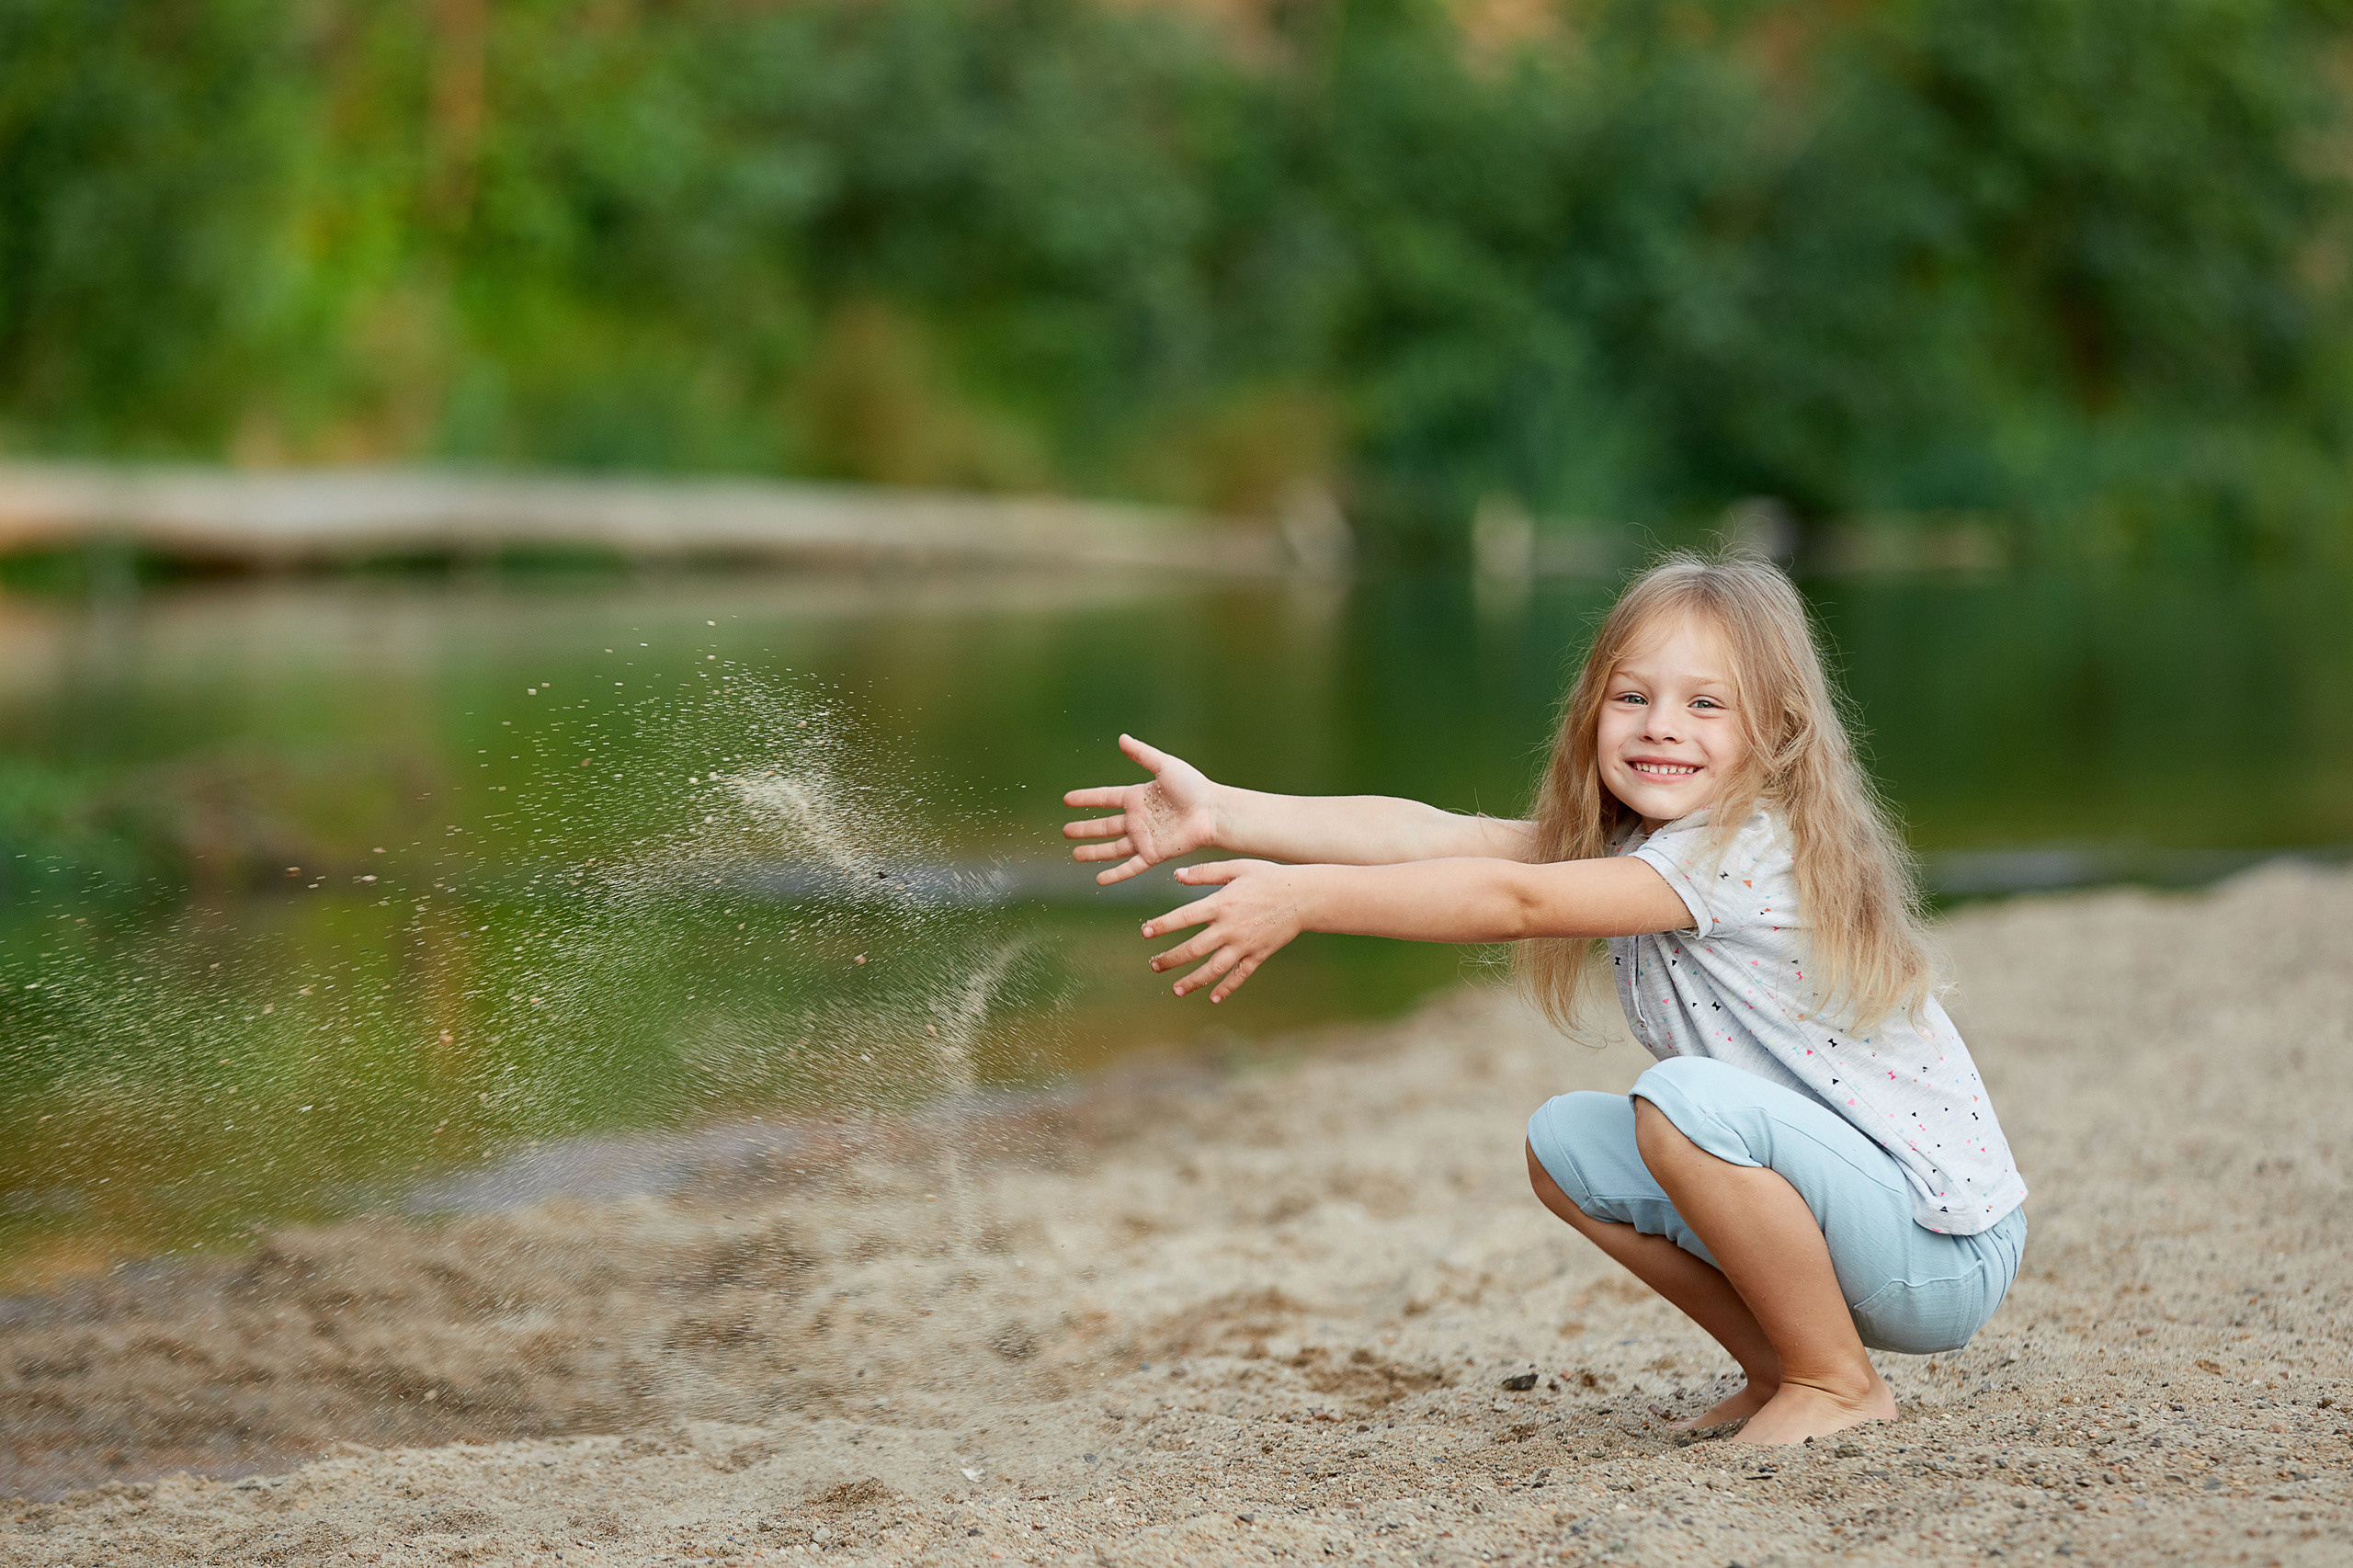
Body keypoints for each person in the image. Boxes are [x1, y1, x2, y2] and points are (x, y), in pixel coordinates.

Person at [1059, 551, 2027, 1446]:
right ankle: (1782, 1367)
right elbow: (1431, 837)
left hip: (1938, 1250)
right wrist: (1224, 812)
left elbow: (1512, 902)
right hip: (1851, 1226)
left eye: (1705, 704)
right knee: (1566, 1143)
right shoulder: (1642, 848)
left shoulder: (1744, 852)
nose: (1660, 725)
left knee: (1681, 1105)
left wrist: (1304, 898)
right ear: (1591, 710)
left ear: (1775, 733)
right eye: (1632, 696)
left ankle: (1836, 1382)